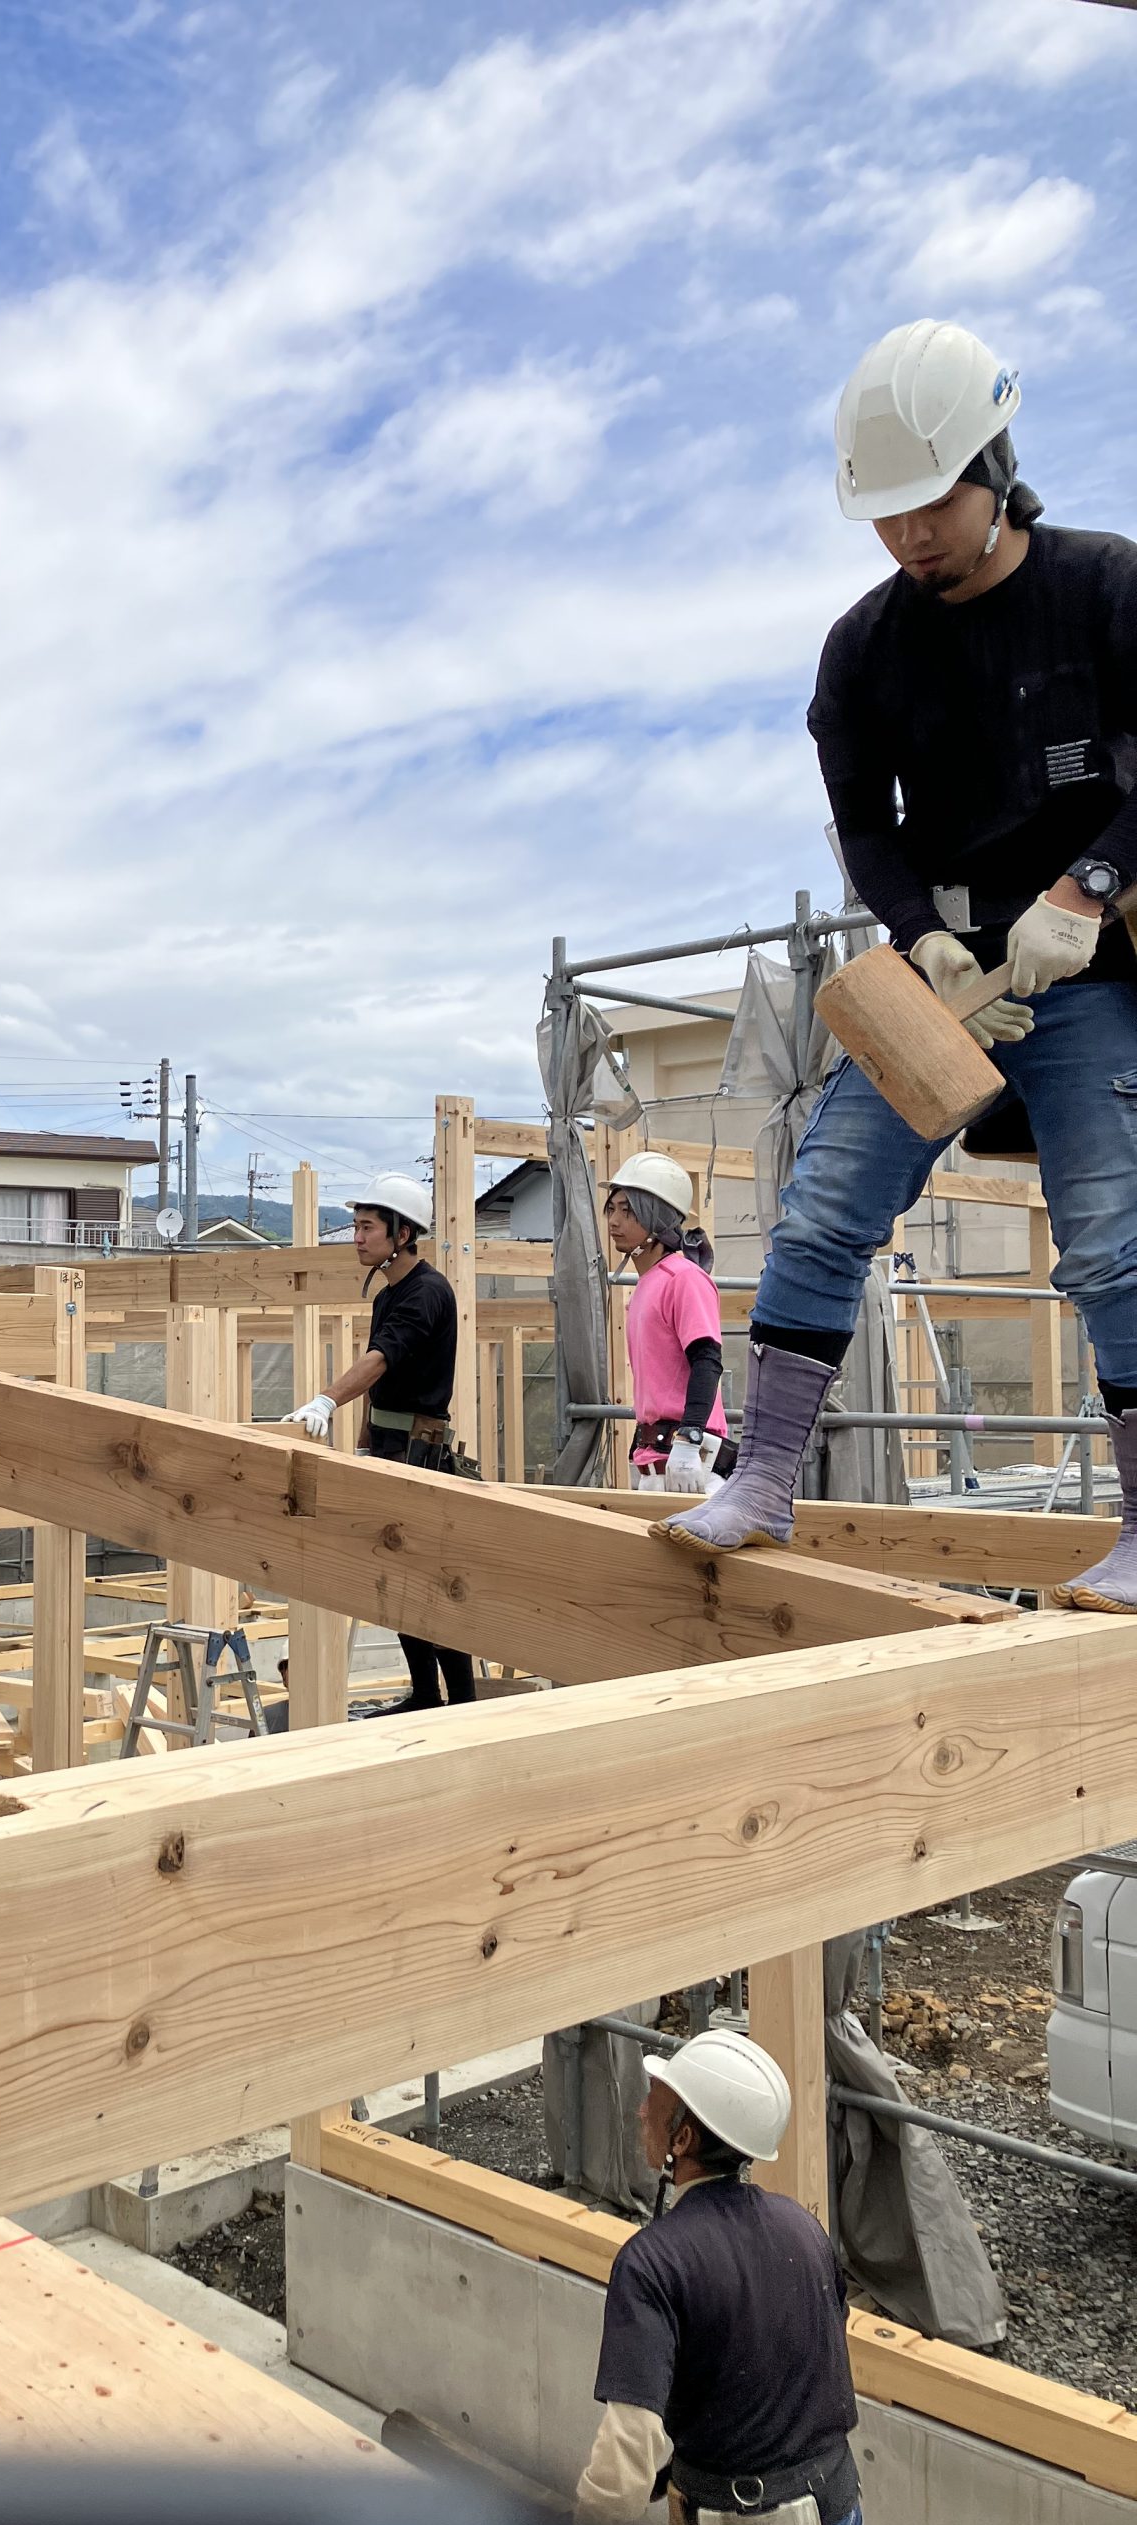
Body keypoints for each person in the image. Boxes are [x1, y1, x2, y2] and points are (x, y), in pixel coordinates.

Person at [660, 317, 1137, 1608]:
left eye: (933, 503)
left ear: (996, 463)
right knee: (819, 1219)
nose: (911, 535)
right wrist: (919, 927)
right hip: (942, 976)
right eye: (887, 516)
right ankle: (760, 1482)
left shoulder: (1105, 588)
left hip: (1086, 967)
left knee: (1108, 1246)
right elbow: (866, 821)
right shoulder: (864, 649)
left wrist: (1088, 887)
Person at [575, 2030, 871, 2525]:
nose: (641, 2112)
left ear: (682, 2140)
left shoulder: (652, 2263)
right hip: (836, 2520)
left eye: (655, 2103)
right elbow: (779, 2371)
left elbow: (627, 2454)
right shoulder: (804, 2229)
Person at [283, 1174, 477, 1717]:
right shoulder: (391, 1293)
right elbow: (380, 1381)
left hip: (420, 1453)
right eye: (357, 1226)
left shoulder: (428, 1292)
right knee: (393, 1578)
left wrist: (325, 1401)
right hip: (392, 1447)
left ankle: (460, 1700)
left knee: (429, 1580)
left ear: (403, 1232)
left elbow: (379, 1360)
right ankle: (425, 1694)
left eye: (367, 1227)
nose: (357, 1237)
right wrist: (366, 1444)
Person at [604, 1151, 730, 1496]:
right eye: (612, 1209)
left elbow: (707, 1359)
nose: (614, 1221)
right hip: (658, 1460)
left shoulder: (684, 1278)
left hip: (691, 1463)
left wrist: (689, 1438)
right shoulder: (648, 1283)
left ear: (657, 1218)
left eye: (628, 1211)